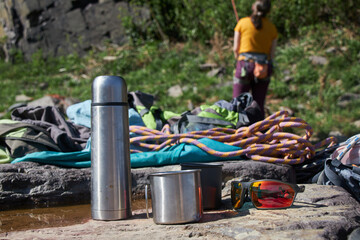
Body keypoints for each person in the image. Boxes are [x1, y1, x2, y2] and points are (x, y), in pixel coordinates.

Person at [233, 0, 278, 118]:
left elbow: (235, 49)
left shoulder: (242, 23)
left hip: (245, 66)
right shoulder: (272, 28)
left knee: (237, 104)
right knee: (258, 105)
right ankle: (259, 133)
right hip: (263, 67)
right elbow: (271, 54)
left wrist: (238, 59)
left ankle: (237, 133)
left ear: (254, 7)